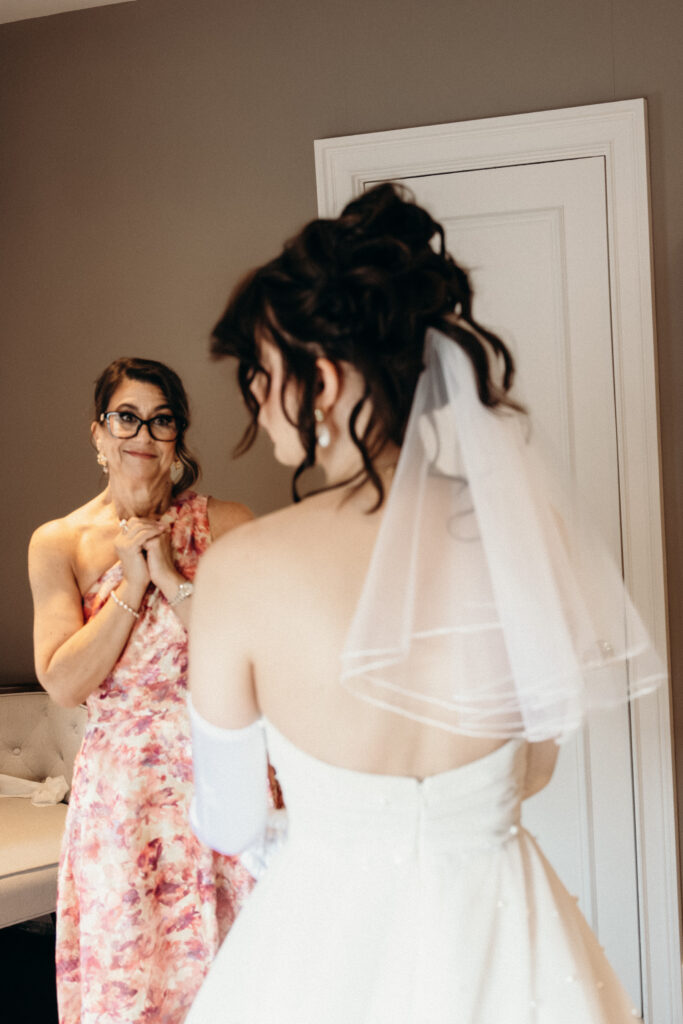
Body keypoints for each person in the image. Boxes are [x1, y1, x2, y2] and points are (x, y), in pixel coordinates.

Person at [186, 184, 661, 1022]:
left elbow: (229, 823)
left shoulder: (243, 566)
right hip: (502, 935)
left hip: (321, 939)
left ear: (322, 380)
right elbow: (535, 766)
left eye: (262, 376)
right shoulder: (521, 532)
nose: (257, 404)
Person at [28, 357, 259, 1024]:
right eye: (126, 416)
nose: (142, 434)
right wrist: (131, 585)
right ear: (97, 432)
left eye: (161, 420)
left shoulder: (227, 523)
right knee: (130, 977)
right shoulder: (59, 543)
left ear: (178, 438)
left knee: (233, 972)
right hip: (122, 798)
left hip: (219, 774)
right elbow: (65, 681)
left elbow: (246, 660)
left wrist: (167, 571)